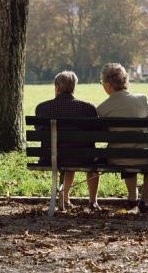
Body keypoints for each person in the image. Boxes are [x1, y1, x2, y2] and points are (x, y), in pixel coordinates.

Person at [96, 63, 148, 214]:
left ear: (108, 85)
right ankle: (144, 200)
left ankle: (132, 198)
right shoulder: (143, 99)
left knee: (124, 151)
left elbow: (100, 134)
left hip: (118, 158)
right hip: (145, 157)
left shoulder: (102, 109)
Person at [35, 71, 101, 211]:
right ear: (74, 87)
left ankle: (65, 199)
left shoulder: (43, 108)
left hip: (51, 157)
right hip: (82, 157)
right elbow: (95, 133)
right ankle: (93, 201)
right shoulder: (88, 108)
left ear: (57, 87)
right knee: (88, 157)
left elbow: (39, 131)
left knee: (66, 153)